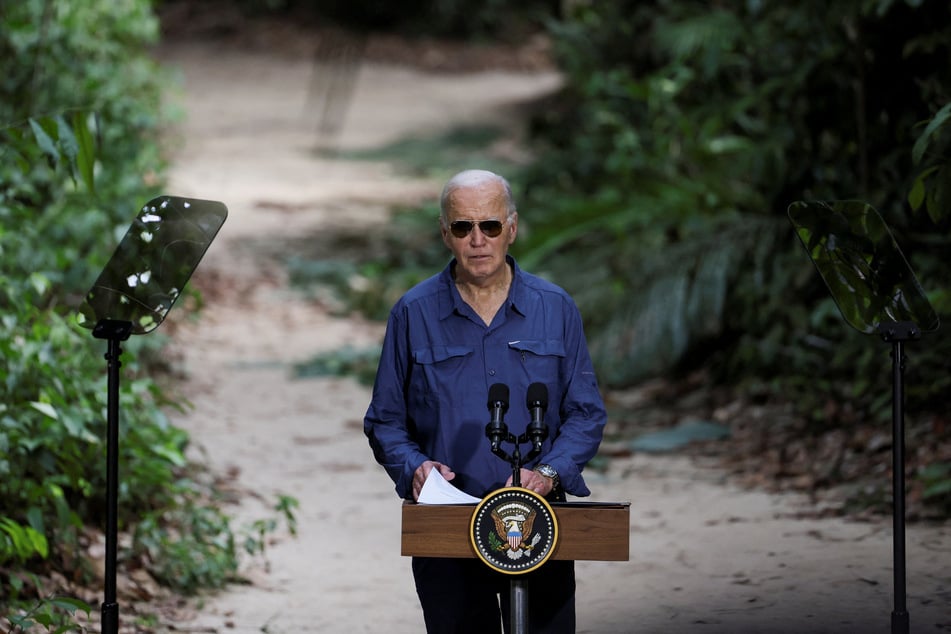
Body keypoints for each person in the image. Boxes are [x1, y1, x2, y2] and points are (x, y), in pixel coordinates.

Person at [364, 169, 606, 633]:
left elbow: (585, 413)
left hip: (537, 520)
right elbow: (385, 420)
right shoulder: (413, 313)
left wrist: (550, 471)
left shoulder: (555, 308)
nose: (478, 239)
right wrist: (413, 466)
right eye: (463, 227)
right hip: (448, 520)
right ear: (445, 233)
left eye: (490, 226)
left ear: (511, 229)